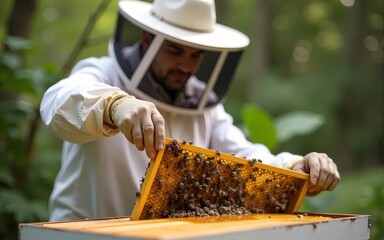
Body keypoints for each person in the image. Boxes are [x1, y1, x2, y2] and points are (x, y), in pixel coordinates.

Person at [40, 0, 340, 221]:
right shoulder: (103, 73)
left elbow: (245, 155)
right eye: (175, 51)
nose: (186, 65)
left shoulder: (203, 102)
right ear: (147, 39)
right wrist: (115, 105)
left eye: (196, 55)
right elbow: (58, 102)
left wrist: (296, 166)